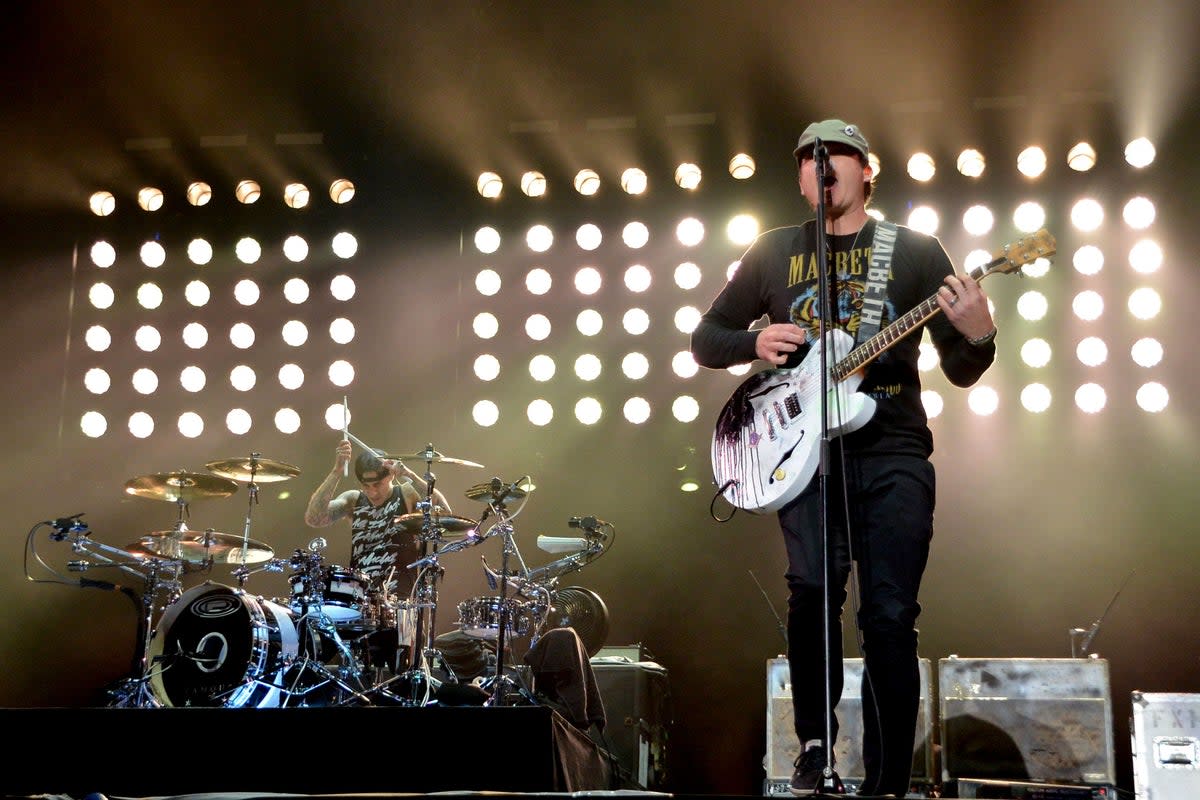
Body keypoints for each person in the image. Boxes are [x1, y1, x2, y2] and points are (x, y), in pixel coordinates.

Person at [690, 119, 997, 797]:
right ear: (799, 176)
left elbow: (964, 367)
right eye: (806, 159)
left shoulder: (914, 249)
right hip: (804, 453)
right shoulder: (773, 251)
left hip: (891, 447)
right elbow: (704, 339)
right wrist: (753, 339)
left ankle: (889, 780)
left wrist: (979, 336)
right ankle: (813, 746)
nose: (819, 168)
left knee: (889, 615)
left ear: (866, 171)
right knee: (811, 595)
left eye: (835, 157)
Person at [303, 439, 453, 677]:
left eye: (378, 484)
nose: (372, 492)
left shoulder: (406, 493)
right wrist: (336, 470)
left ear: (390, 476)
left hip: (400, 599)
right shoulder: (354, 499)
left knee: (404, 670)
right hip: (360, 598)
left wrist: (409, 474)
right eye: (366, 485)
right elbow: (315, 518)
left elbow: (444, 513)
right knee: (357, 668)